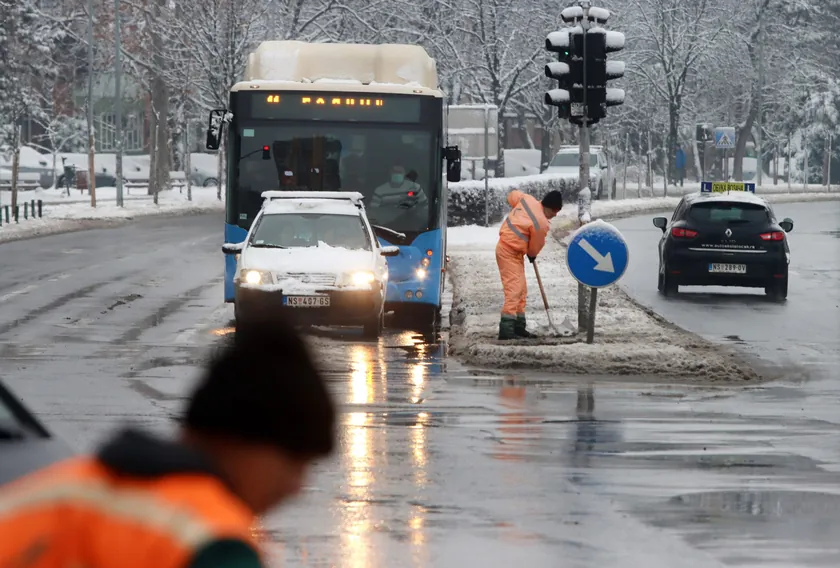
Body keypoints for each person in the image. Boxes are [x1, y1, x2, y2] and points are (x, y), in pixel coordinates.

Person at [0, 318, 335, 568]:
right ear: (239, 440)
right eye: (295, 461)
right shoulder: (209, 543)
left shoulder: (53, 492)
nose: (297, 487)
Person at [496, 189, 564, 340]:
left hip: (514, 252)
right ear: (549, 207)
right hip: (508, 251)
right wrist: (532, 255)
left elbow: (512, 195)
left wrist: (516, 209)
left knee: (521, 290)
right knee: (514, 289)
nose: (555, 214)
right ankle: (506, 330)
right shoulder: (541, 223)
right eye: (555, 210)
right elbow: (536, 246)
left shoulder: (526, 199)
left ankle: (519, 327)